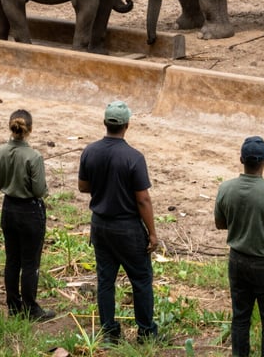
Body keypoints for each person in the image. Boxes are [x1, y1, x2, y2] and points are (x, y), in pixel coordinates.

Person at [78, 101, 159, 345]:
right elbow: (143, 199)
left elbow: (83, 187)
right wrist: (152, 233)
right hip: (127, 228)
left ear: (105, 123)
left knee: (105, 280)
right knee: (141, 280)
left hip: (100, 225)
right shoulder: (134, 157)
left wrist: (103, 187)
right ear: (127, 125)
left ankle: (109, 332)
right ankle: (146, 332)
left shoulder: (90, 151)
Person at [214, 136, 264, 357]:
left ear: (241, 159)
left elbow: (220, 224)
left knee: (240, 317)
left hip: (237, 260)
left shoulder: (226, 188)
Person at [0, 109, 53, 321]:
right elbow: (39, 190)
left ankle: (13, 304)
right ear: (30, 129)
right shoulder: (34, 157)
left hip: (9, 208)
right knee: (30, 262)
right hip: (30, 211)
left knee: (12, 260)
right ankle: (31, 308)